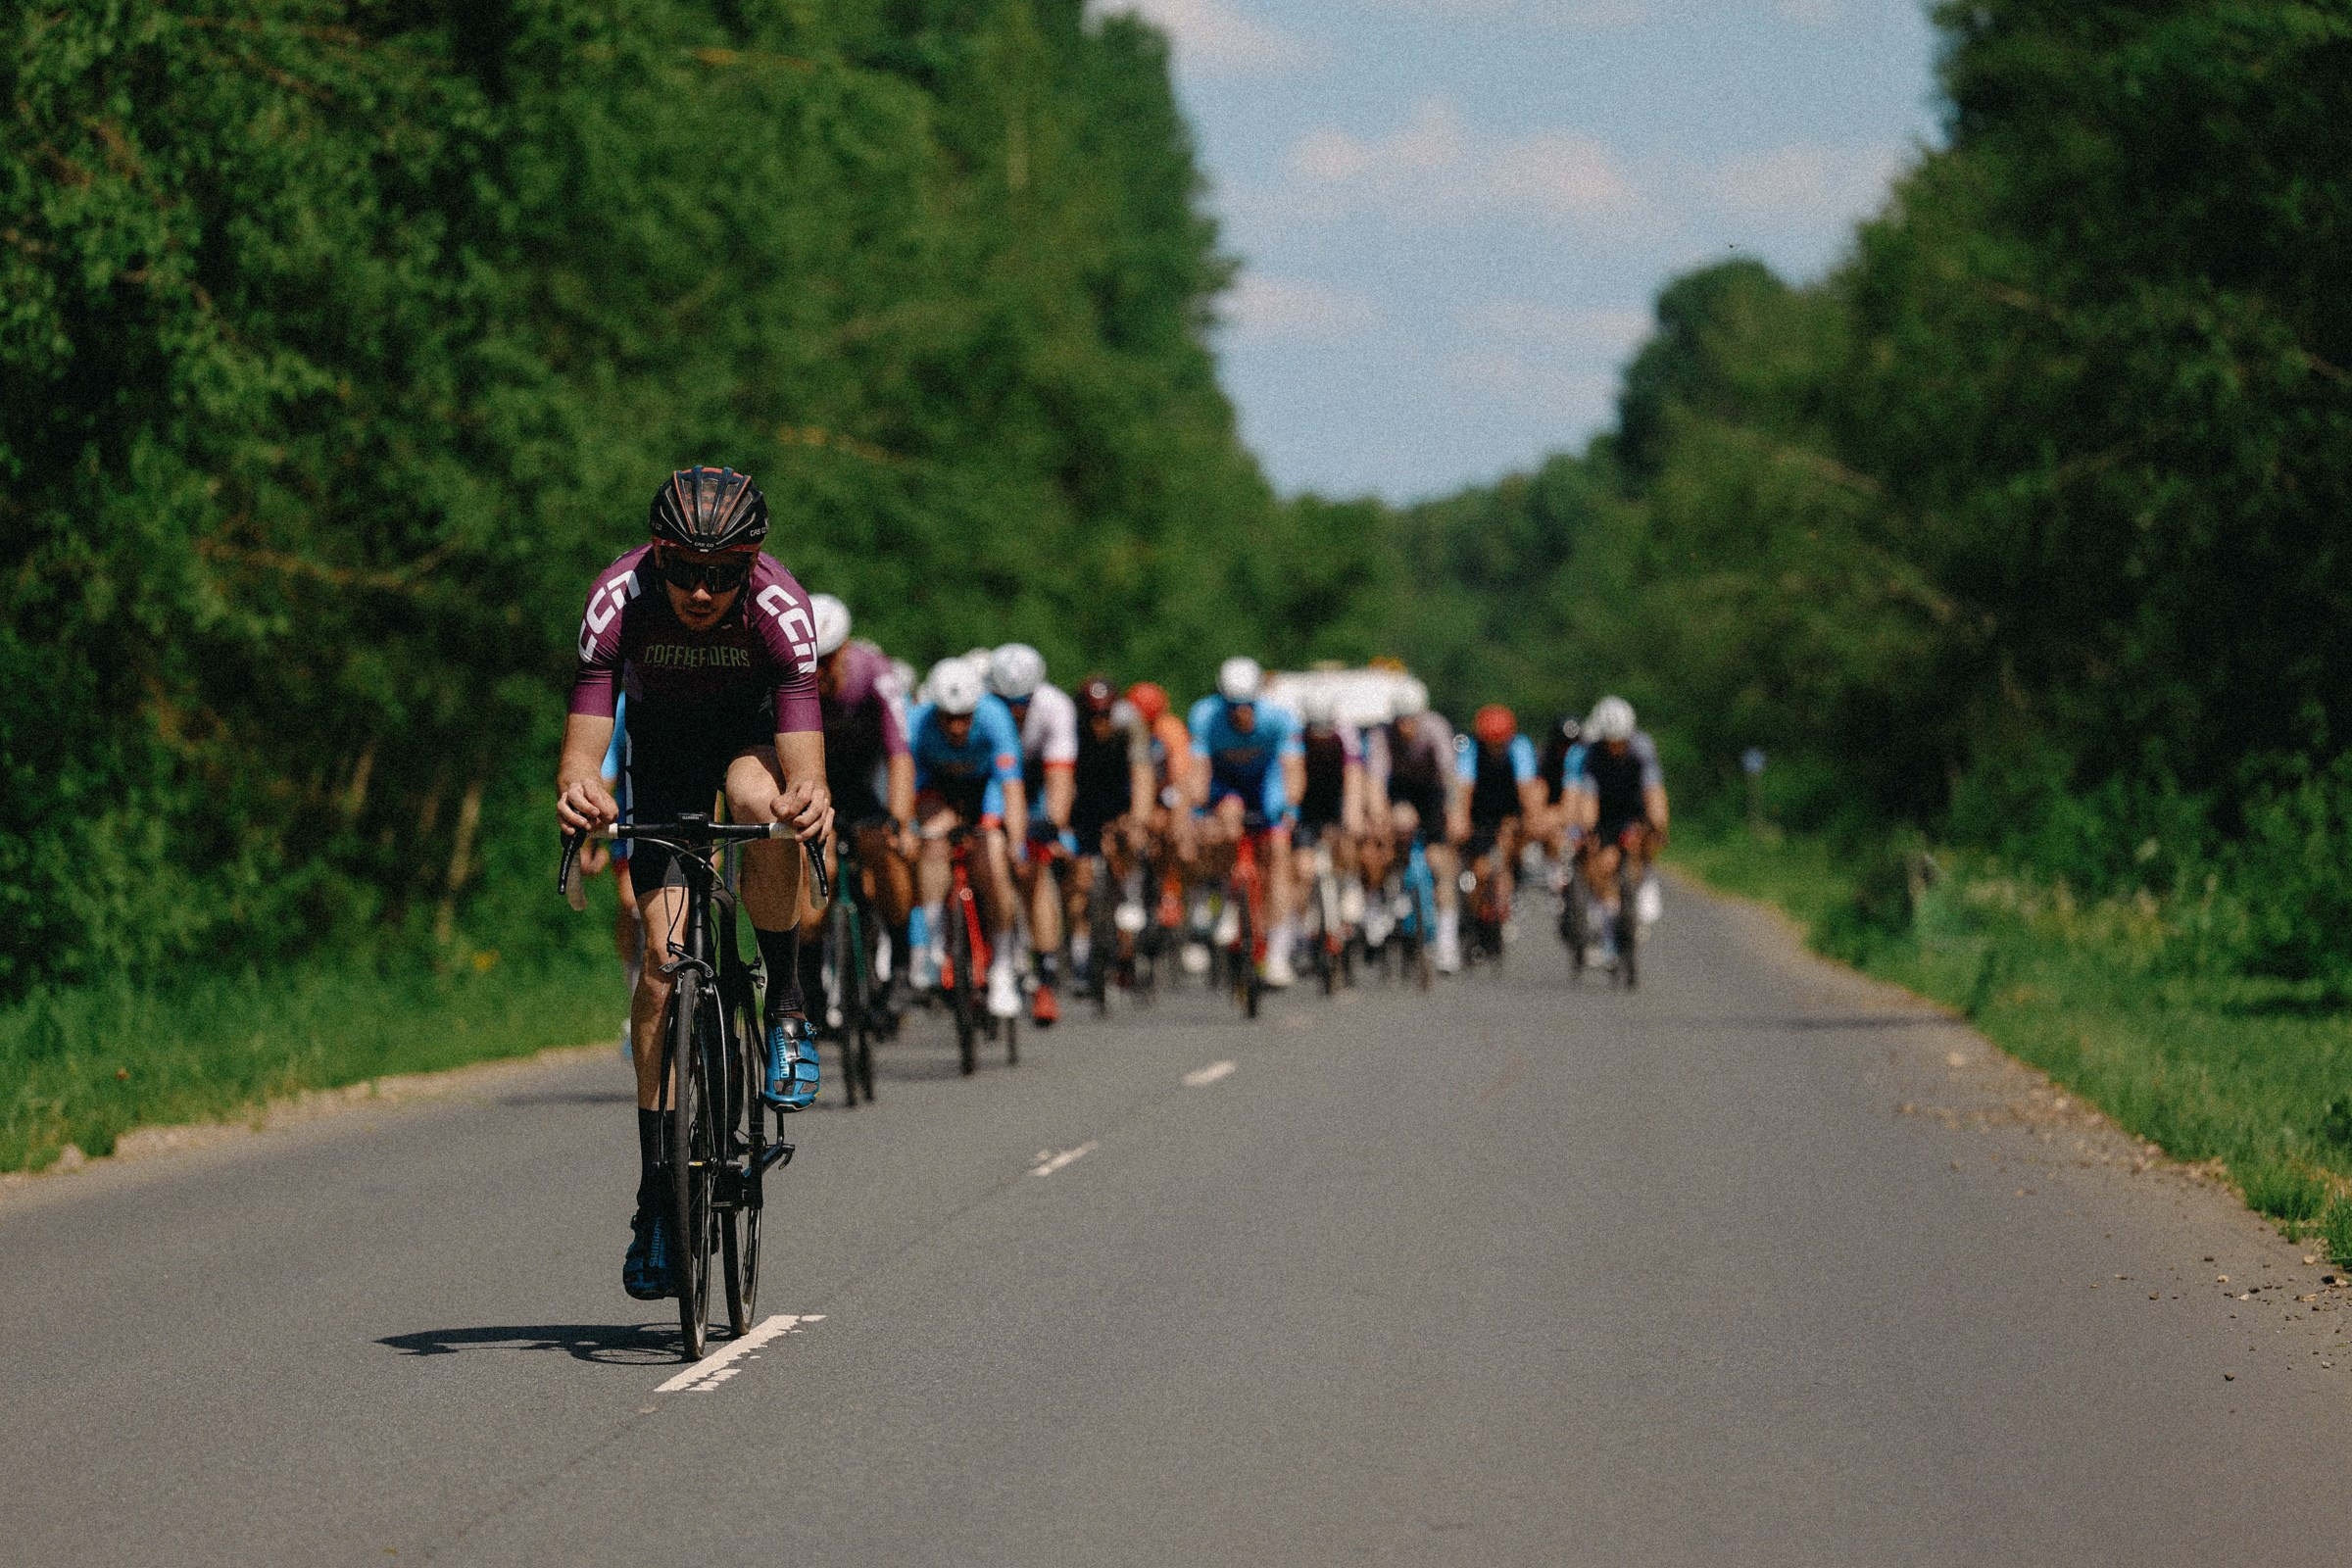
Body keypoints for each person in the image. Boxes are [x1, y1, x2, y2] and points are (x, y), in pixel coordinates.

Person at [555, 466, 833, 1303]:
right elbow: (583, 753)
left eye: (723, 573)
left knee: (765, 808)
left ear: (751, 563)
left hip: (751, 737)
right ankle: (657, 1197)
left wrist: (808, 799)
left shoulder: (781, 609)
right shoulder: (617, 599)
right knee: (659, 967)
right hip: (664, 748)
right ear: (657, 555)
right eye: (684, 570)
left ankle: (786, 1005)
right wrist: (583, 793)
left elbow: (804, 766)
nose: (703, 591)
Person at [807, 594, 917, 1024]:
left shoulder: (875, 672)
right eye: (812, 661)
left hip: (864, 783)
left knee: (885, 850)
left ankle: (902, 962)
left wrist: (900, 822)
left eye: (828, 659)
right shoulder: (790, 676)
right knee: (819, 867)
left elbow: (899, 754)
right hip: (815, 783)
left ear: (846, 648)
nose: (819, 670)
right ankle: (810, 984)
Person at [907, 656, 1028, 1020]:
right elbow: (906, 782)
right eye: (948, 717)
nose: (957, 726)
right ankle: (933, 945)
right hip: (937, 790)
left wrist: (1016, 844)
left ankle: (1002, 966)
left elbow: (1012, 788)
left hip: (984, 790)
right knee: (932, 841)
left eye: (965, 717)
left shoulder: (995, 716)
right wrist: (910, 830)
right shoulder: (917, 721)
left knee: (993, 856)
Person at [1187, 656, 1306, 987]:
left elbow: (1292, 771)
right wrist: (1198, 812)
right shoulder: (1205, 716)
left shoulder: (1280, 718)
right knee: (1227, 818)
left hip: (1266, 784)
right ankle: (1228, 897)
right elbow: (1198, 772)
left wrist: (1289, 807)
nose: (1241, 712)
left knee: (1278, 854)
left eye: (1248, 705)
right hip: (1226, 785)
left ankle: (1278, 953)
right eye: (1233, 706)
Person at [989, 643, 1078, 1025]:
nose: (1015, 711)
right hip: (991, 779)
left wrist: (1052, 826)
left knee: (1035, 871)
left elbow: (1060, 778)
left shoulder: (1055, 707)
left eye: (1022, 702)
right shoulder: (984, 709)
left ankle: (1044, 976)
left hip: (1036, 781)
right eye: (1005, 703)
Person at [1365, 678, 1465, 972]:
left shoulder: (1436, 728)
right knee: (1398, 825)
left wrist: (1456, 814)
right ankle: (1390, 894)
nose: (1405, 726)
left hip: (1432, 793)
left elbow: (1450, 777)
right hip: (1402, 792)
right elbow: (1375, 782)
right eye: (1400, 720)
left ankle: (1446, 943)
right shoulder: (1381, 735)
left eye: (1411, 719)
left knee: (1440, 864)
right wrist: (1378, 817)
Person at [1064, 674, 1155, 990]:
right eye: (1093, 716)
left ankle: (1130, 901)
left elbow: (1142, 775)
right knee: (1080, 879)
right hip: (1083, 801)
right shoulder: (1072, 728)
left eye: (1105, 715)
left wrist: (1138, 821)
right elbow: (1063, 781)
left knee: (1129, 845)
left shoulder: (1130, 724)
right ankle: (1081, 957)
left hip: (1120, 799)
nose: (1099, 723)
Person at [1567, 695, 1669, 958]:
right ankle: (1611, 917)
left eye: (1620, 741)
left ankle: (1644, 882)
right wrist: (1587, 831)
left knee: (1646, 840)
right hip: (1606, 815)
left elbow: (1654, 792)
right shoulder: (1592, 754)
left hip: (1634, 811)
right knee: (1602, 862)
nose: (1616, 747)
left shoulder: (1642, 748)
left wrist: (1658, 825)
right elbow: (1588, 799)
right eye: (1610, 742)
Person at [1454, 704, 1544, 958]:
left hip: (1508, 813)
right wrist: (1461, 821)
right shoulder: (1470, 750)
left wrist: (1531, 821)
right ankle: (1473, 917)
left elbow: (1526, 790)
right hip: (1480, 814)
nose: (1495, 748)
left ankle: (1506, 901)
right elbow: (1464, 790)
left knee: (1503, 858)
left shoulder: (1521, 748)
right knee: (1479, 870)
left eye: (1500, 743)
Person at [1289, 685, 1367, 966]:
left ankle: (1349, 887)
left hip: (1335, 800)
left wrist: (1353, 814)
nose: (1320, 735)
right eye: (1315, 728)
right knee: (1304, 869)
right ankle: (1302, 930)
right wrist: (1289, 814)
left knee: (1346, 844)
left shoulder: (1346, 735)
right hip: (1306, 804)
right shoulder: (1296, 736)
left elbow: (1354, 777)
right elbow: (1290, 779)